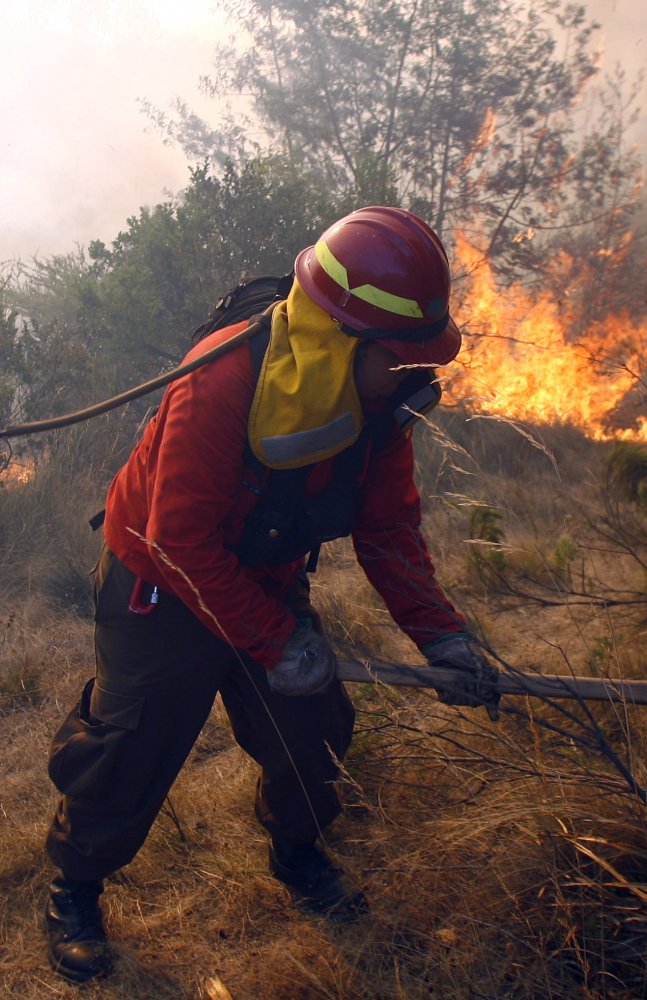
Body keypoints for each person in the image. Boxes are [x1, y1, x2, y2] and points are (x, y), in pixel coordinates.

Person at [42, 206, 500, 984]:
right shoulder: (221, 380)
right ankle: (74, 887)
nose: (416, 374)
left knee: (312, 726)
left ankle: (297, 853)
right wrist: (278, 641)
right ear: (342, 338)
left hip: (260, 576)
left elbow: (389, 529)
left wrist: (442, 635)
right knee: (132, 743)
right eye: (403, 357)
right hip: (159, 579)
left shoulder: (377, 407)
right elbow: (177, 539)